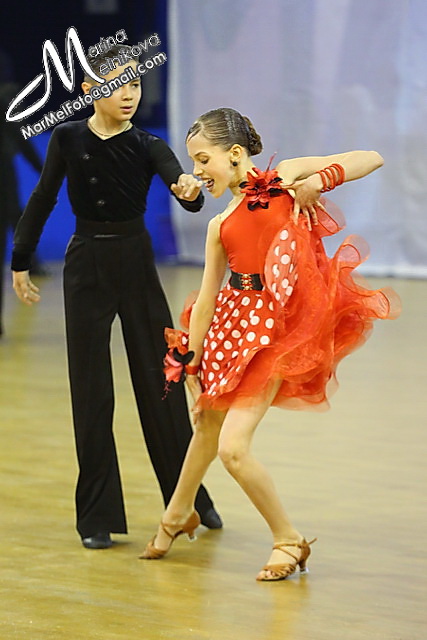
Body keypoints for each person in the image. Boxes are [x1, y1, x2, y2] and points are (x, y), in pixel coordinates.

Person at [140, 107, 400, 580]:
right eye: (193, 161)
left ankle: (288, 540)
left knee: (233, 449)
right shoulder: (220, 224)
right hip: (231, 331)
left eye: (203, 159)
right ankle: (176, 515)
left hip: (278, 332)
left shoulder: (285, 178)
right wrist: (190, 360)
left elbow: (371, 157)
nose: (197, 171)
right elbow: (207, 298)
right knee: (207, 425)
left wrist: (320, 180)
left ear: (235, 154)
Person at [11, 46, 222, 549]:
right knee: (90, 391)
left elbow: (181, 185)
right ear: (90, 90)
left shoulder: (149, 144)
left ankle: (190, 499)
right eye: (117, 84)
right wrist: (20, 258)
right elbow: (43, 196)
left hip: (136, 265)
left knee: (162, 383)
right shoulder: (67, 137)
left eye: (136, 84)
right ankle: (96, 518)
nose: (129, 94)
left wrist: (189, 191)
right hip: (86, 264)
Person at [0, 80, 44, 338]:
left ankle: (31, 262)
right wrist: (43, 169)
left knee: (15, 219)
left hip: (5, 173)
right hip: (3, 173)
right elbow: (20, 139)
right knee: (15, 219)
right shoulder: (6, 101)